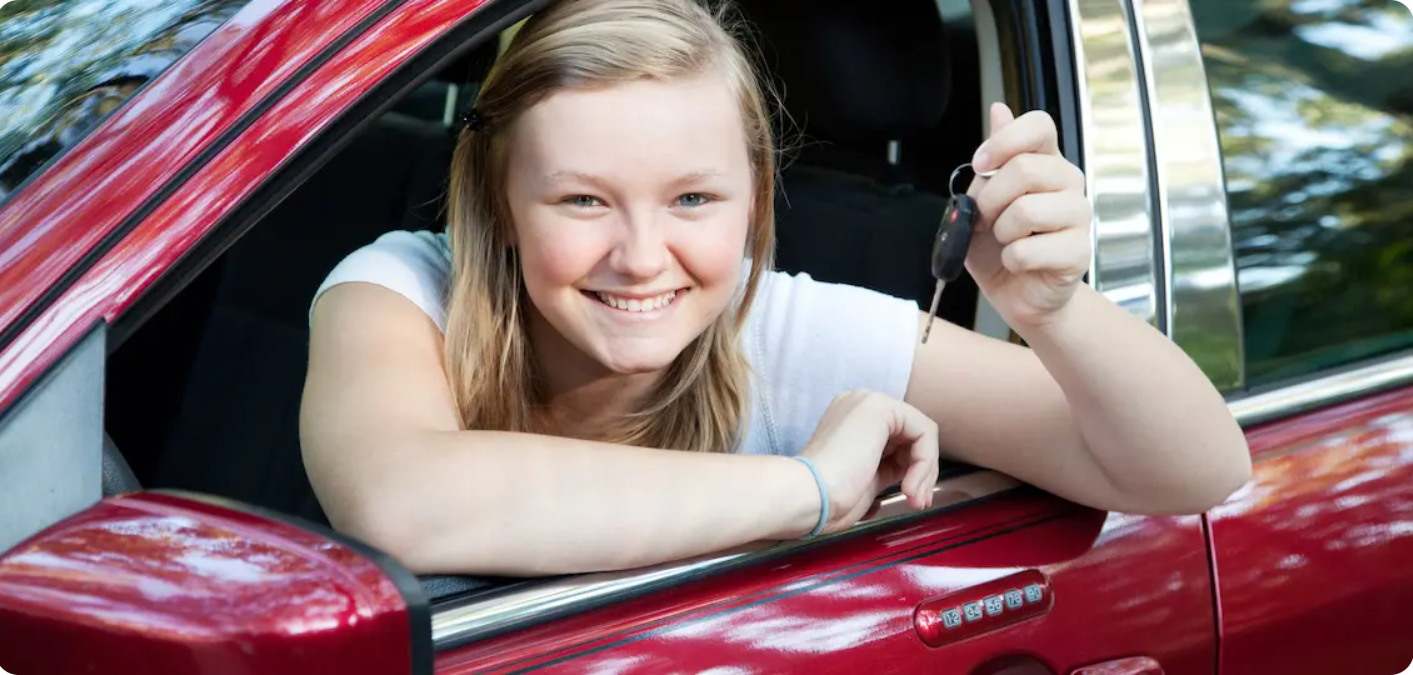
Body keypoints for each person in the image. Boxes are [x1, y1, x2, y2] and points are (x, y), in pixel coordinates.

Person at [299, 0, 1252, 577]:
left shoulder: (781, 326)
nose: (640, 255)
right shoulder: (402, 290)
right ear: (499, 203)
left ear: (754, 201)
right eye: (583, 199)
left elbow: (1196, 470)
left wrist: (1053, 311)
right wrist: (809, 486)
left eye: (692, 199)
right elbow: (405, 503)